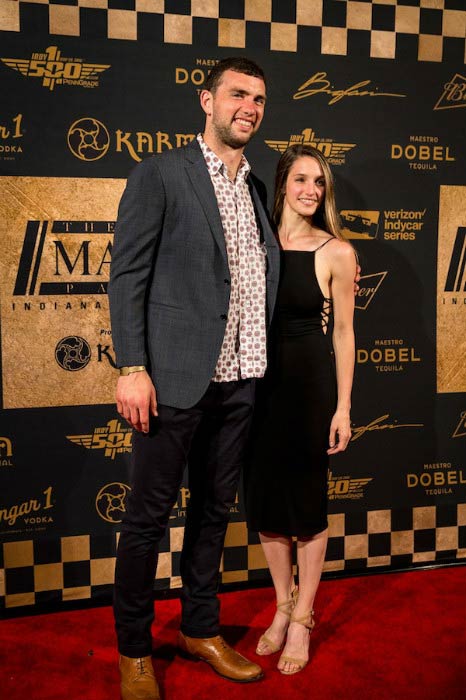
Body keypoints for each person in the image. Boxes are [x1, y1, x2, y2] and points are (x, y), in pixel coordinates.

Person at [108, 57, 280, 700]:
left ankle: (200, 629)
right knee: (147, 521)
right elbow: (127, 276)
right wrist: (132, 367)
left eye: (260, 99)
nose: (250, 107)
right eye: (238, 94)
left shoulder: (256, 188)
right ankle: (133, 649)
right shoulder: (160, 174)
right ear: (206, 100)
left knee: (213, 514)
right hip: (172, 379)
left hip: (240, 379)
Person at [245, 144, 356, 675]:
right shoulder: (257, 242)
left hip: (308, 387)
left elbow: (344, 333)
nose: (312, 191)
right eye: (302, 180)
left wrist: (344, 407)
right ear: (283, 182)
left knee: (307, 505)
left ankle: (303, 616)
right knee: (266, 504)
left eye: (320, 183)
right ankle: (282, 602)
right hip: (256, 388)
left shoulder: (336, 251)